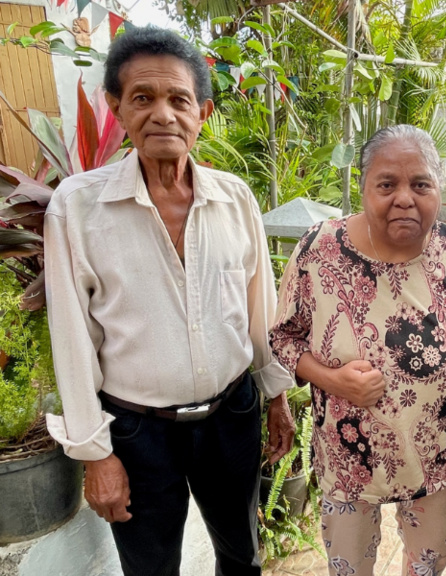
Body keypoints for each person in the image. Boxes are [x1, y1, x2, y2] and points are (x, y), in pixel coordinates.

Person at [43, 27, 295, 576]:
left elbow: (260, 310)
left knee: (242, 554)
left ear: (201, 112)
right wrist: (96, 454)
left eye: (178, 99)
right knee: (151, 568)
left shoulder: (235, 199)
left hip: (231, 416)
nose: (162, 114)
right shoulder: (78, 208)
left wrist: (276, 396)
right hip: (137, 432)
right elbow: (71, 338)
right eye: (143, 98)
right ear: (117, 108)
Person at [270, 124, 446, 576]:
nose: (404, 198)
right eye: (387, 184)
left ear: (439, 188)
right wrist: (333, 380)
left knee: (428, 564)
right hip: (347, 462)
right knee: (350, 568)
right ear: (363, 188)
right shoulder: (320, 250)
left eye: (420, 184)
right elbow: (283, 337)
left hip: (433, 461)